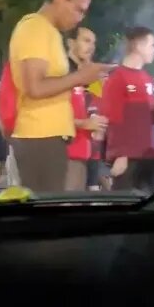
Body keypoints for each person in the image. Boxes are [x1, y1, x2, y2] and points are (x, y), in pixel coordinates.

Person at [7, 0, 106, 192]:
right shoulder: (36, 27)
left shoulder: (48, 31)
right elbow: (35, 87)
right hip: (40, 137)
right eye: (78, 9)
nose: (80, 17)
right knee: (45, 212)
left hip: (48, 138)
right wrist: (80, 77)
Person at [101, 26, 154, 193]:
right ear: (139, 46)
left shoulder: (148, 79)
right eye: (152, 45)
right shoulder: (117, 78)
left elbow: (147, 116)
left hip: (150, 156)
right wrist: (120, 155)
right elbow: (112, 118)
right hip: (129, 159)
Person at [64, 27, 107, 191]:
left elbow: (96, 108)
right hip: (66, 155)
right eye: (86, 41)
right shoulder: (62, 73)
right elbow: (50, 116)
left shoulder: (90, 76)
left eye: (93, 43)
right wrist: (84, 123)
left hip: (87, 154)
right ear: (71, 42)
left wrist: (98, 123)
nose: (91, 47)